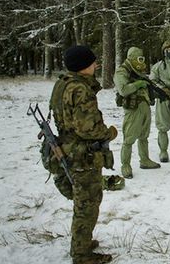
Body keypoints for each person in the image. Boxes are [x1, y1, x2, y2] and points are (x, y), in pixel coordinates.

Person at [50, 45, 117, 264]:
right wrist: (109, 133)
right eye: (93, 62)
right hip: (82, 155)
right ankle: (81, 254)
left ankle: (82, 242)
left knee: (83, 202)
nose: (96, 65)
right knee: (87, 204)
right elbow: (87, 128)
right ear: (83, 66)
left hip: (68, 149)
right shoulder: (79, 89)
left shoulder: (63, 84)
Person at [113, 47, 160, 178]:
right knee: (129, 138)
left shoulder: (138, 71)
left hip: (144, 105)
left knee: (144, 135)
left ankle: (144, 160)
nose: (141, 61)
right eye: (139, 59)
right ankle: (125, 165)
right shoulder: (122, 71)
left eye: (142, 59)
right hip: (133, 109)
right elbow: (123, 89)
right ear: (131, 58)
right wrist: (138, 84)